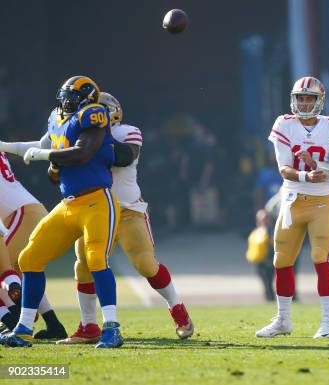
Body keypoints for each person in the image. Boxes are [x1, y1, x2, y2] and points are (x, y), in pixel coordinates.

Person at [57, 92, 193, 344]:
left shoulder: (127, 132)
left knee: (145, 264)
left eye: (95, 111)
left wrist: (87, 147)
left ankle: (178, 309)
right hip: (94, 210)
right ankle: (88, 326)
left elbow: (123, 156)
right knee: (84, 265)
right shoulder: (74, 134)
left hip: (127, 208)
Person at [0, 76, 123, 348]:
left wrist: (43, 157)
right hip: (69, 204)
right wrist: (5, 146)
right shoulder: (58, 118)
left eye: (72, 97)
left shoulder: (94, 115)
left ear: (88, 98)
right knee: (30, 258)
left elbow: (82, 153)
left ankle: (111, 328)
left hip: (96, 201)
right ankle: (23, 328)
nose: (66, 102)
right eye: (64, 96)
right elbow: (43, 145)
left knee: (95, 259)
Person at [256, 76, 329, 338]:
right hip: (293, 200)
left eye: (310, 98)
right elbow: (284, 169)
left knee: (321, 258)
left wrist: (317, 165)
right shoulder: (284, 124)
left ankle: (328, 323)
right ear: (293, 99)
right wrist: (306, 174)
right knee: (281, 260)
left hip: (321, 201)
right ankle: (283, 320)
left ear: (320, 101)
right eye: (301, 98)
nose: (305, 103)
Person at [0, 152, 67, 339]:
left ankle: (12, 322)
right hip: (27, 212)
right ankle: (54, 325)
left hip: (22, 214)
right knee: (25, 272)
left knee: (7, 273)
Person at [246, 209, 275, 302]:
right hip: (259, 261)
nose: (265, 221)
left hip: (270, 260)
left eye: (266, 218)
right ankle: (269, 298)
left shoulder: (272, 231)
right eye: (262, 219)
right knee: (265, 281)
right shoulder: (256, 232)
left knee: (270, 280)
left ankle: (271, 298)